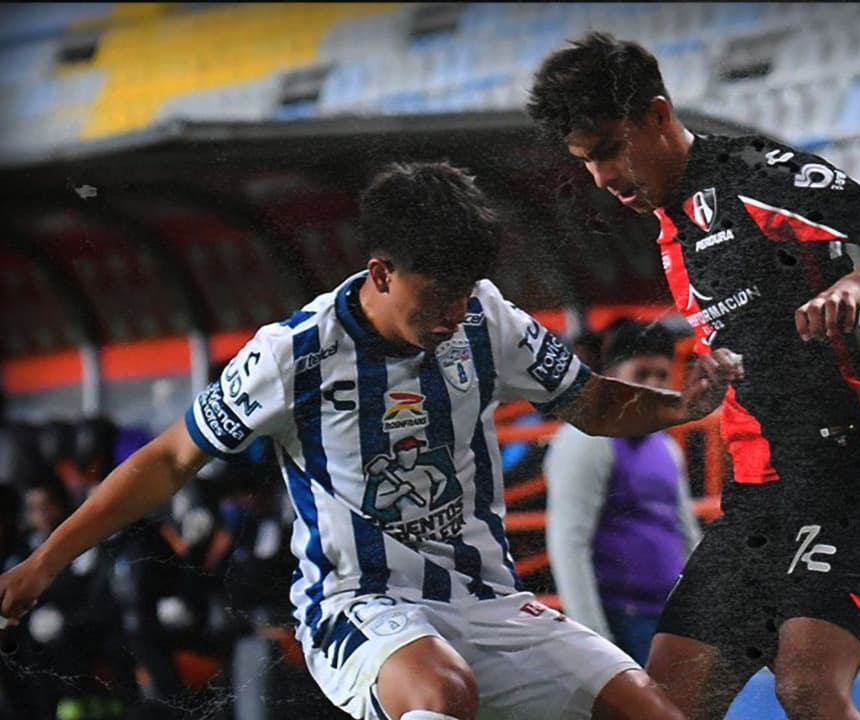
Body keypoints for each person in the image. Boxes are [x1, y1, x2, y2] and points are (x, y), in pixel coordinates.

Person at [0, 161, 747, 720]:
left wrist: (681, 405)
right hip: (360, 605)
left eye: (466, 290)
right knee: (440, 692)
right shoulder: (293, 353)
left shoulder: (487, 316)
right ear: (382, 271)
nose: (457, 311)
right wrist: (43, 562)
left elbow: (591, 401)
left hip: (488, 599)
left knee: (651, 712)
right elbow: (168, 459)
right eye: (439, 293)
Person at [528, 33, 860, 720]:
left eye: (608, 148)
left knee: (807, 686)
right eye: (586, 161)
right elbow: (824, 289)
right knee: (658, 706)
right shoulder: (669, 226)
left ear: (658, 116)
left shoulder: (756, 173)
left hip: (855, 480)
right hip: (760, 500)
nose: (602, 176)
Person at [544, 319, 701, 665]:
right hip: (620, 620)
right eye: (641, 372)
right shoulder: (585, 440)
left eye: (662, 375)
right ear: (613, 375)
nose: (653, 384)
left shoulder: (665, 447)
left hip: (667, 619)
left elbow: (686, 533)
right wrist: (596, 641)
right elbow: (569, 543)